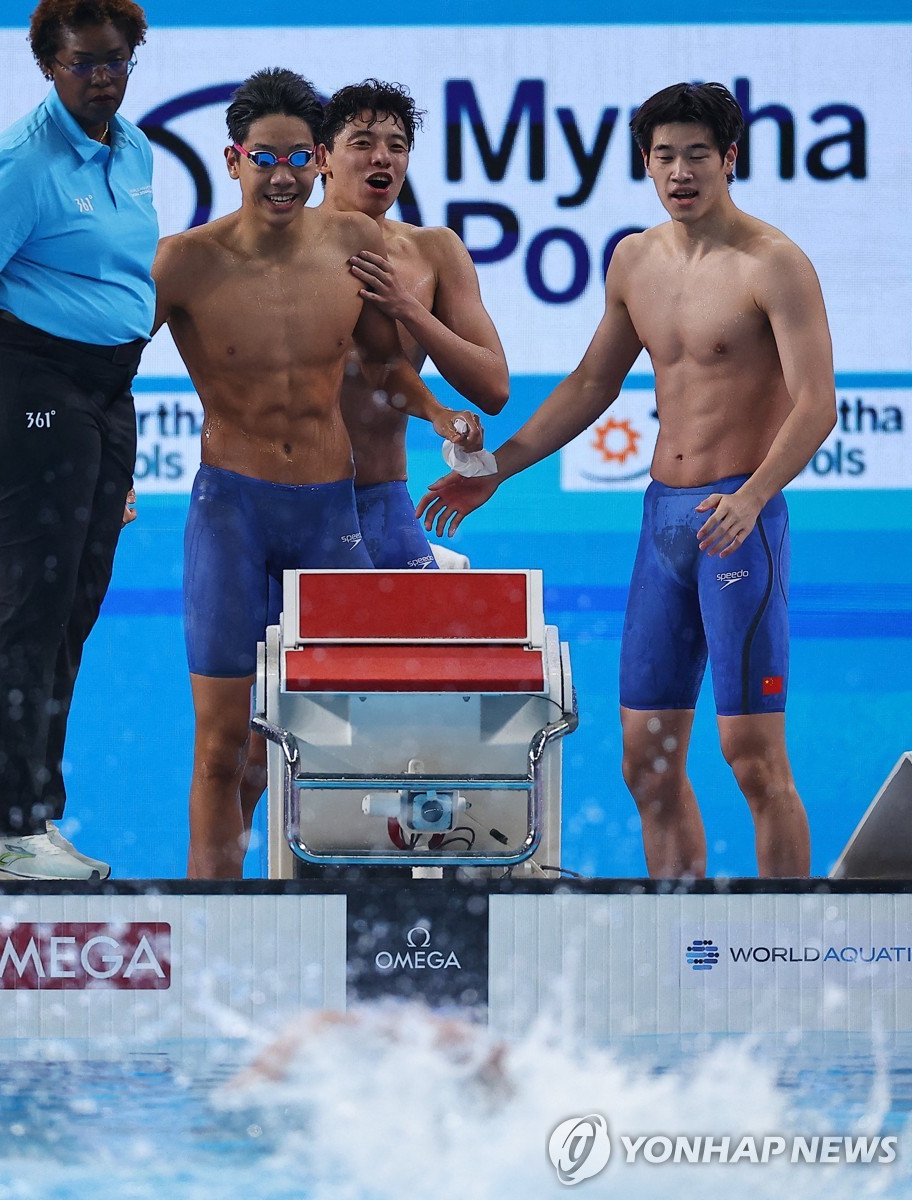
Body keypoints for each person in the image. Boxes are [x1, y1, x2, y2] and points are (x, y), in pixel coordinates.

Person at [418, 82, 837, 879]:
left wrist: (752, 498)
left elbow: (817, 404)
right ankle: (680, 931)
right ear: (646, 162)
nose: (681, 172)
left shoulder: (774, 264)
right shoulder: (635, 260)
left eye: (698, 155)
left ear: (730, 159)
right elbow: (591, 384)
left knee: (752, 758)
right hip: (663, 526)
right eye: (664, 156)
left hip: (739, 523)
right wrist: (497, 468)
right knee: (646, 763)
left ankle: (791, 932)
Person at [151, 68, 482, 879]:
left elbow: (383, 366)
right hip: (231, 515)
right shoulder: (182, 262)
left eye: (299, 157)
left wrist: (436, 412)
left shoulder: (352, 244)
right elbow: (104, 372)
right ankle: (210, 921)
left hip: (331, 517)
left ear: (317, 161)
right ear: (233, 159)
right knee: (223, 747)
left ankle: (354, 917)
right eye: (265, 157)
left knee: (351, 741)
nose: (284, 175)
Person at [0, 0, 156, 881]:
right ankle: (3, 827)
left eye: (116, 60)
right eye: (83, 62)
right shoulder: (21, 162)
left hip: (104, 390)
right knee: (31, 602)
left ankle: (33, 819)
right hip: (21, 379)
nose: (102, 77)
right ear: (49, 67)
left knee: (73, 605)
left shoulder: (135, 150)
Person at [319, 79, 509, 569]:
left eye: (397, 146)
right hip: (297, 498)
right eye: (362, 143)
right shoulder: (286, 251)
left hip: (384, 499)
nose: (382, 157)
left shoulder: (433, 252)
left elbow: (493, 388)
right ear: (323, 158)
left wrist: (408, 308)